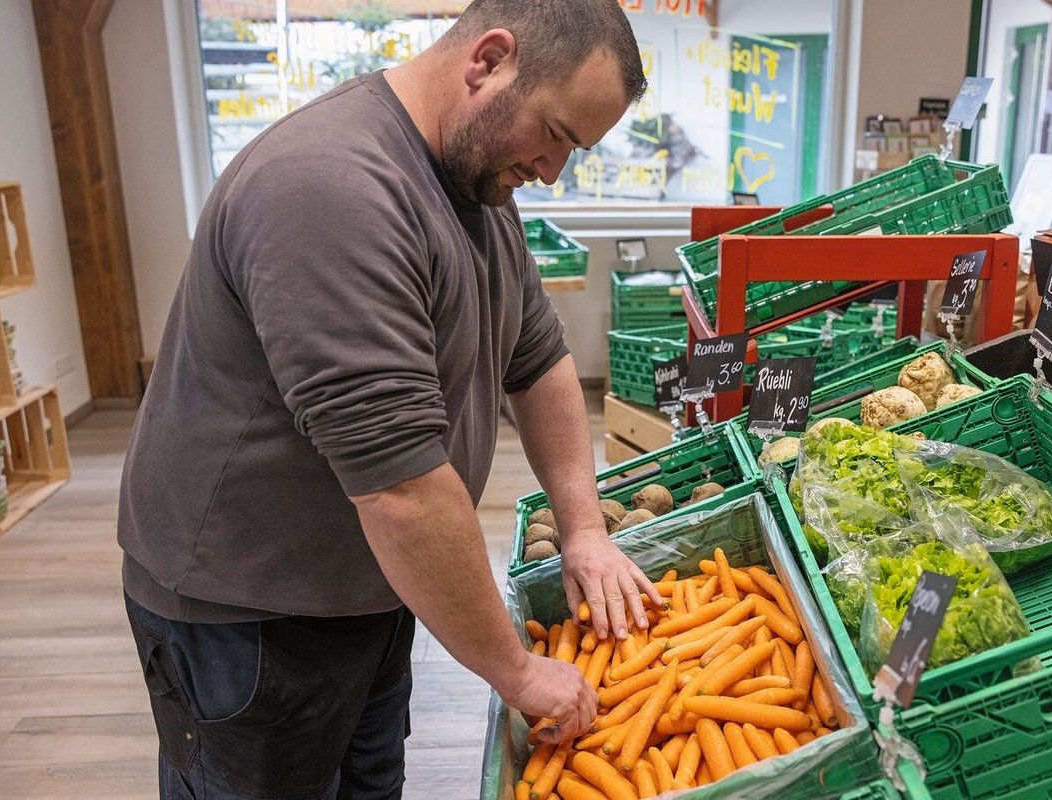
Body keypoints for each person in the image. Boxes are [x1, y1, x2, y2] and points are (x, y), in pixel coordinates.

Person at [117, 2, 660, 797]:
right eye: (554, 135)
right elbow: (400, 490)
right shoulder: (328, 188)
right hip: (249, 614)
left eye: (572, 151)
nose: (552, 171)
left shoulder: (475, 185)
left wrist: (583, 528)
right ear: (489, 61)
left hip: (368, 584)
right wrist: (513, 670)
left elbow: (539, 359)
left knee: (368, 780)